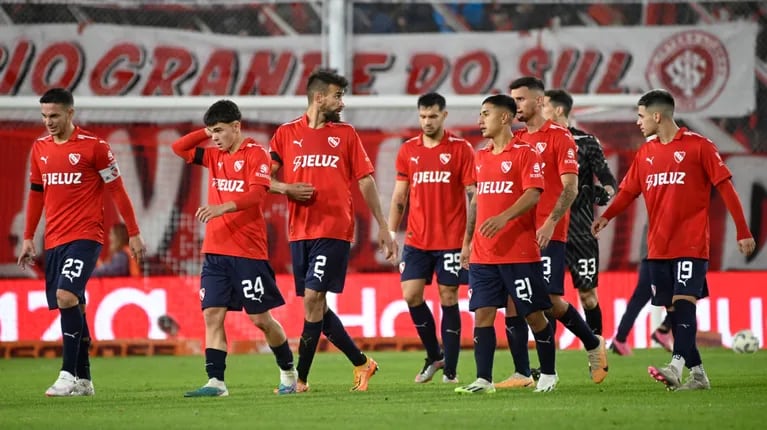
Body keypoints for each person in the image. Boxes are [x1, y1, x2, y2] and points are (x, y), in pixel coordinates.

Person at [592, 89, 756, 390]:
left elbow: (726, 187)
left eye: (641, 116)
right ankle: (698, 375)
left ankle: (676, 366)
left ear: (657, 115)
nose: (638, 122)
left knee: (684, 305)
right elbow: (628, 191)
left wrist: (743, 230)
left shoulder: (699, 146)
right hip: (658, 248)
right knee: (674, 311)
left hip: (691, 243)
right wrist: (606, 216)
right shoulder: (646, 153)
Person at [269, 69, 398, 392]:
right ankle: (362, 363)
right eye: (337, 95)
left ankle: (300, 380)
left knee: (313, 298)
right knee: (316, 307)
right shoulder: (285, 134)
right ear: (319, 97)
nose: (342, 102)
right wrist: (286, 188)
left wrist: (383, 226)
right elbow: (263, 180)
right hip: (300, 232)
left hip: (335, 229)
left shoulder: (346, 134)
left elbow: (366, 180)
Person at [17, 88, 145, 397]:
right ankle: (85, 380)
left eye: (55, 116)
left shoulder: (94, 147)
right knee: (76, 303)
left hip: (86, 236)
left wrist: (134, 232)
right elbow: (36, 194)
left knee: (65, 295)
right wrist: (27, 237)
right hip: (55, 239)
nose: (48, 122)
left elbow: (118, 190)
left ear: (70, 113)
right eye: (44, 116)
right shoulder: (40, 148)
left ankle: (67, 373)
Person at [172, 100, 298, 397]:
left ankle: (288, 371)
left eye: (219, 130)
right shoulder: (214, 155)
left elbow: (257, 195)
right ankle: (216, 382)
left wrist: (223, 208)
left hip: (247, 251)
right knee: (212, 315)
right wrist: (205, 131)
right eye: (211, 131)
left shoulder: (257, 154)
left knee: (260, 319)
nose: (214, 137)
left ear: (237, 127)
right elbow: (179, 147)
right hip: (215, 252)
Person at [496, 77, 608, 389]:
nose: (516, 105)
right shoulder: (517, 140)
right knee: (513, 300)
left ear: (539, 100)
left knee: (548, 301)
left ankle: (591, 342)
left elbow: (570, 187)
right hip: (517, 233)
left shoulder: (559, 137)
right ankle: (522, 373)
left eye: (520, 99)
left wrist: (550, 222)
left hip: (548, 232)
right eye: (513, 99)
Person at [455, 94, 556, 394]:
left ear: (503, 118)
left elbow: (534, 193)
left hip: (519, 253)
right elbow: (476, 202)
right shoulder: (481, 156)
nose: (479, 120)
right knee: (483, 313)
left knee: (533, 314)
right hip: (484, 255)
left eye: (485, 114)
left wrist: (504, 217)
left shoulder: (525, 154)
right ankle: (483, 380)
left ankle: (548, 373)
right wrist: (467, 242)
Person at [387, 92, 476, 384]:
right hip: (417, 240)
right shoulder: (408, 150)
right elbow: (400, 196)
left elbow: (473, 196)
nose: (427, 122)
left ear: (444, 116)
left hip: (451, 239)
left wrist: (469, 238)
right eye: (423, 116)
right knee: (411, 295)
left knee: (448, 297)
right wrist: (390, 231)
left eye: (433, 116)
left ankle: (450, 369)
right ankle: (434, 354)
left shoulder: (461, 149)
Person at [541, 89, 617, 336]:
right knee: (545, 299)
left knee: (588, 297)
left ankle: (596, 350)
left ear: (558, 110)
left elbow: (608, 179)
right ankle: (546, 365)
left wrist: (605, 191)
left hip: (580, 232)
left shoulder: (586, 143)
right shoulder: (535, 144)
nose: (540, 111)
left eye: (544, 106)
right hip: (548, 232)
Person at [610, 224, 673, 356]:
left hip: (649, 258)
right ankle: (664, 330)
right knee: (681, 297)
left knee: (639, 300)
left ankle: (621, 338)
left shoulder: (654, 210)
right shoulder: (667, 212)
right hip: (658, 260)